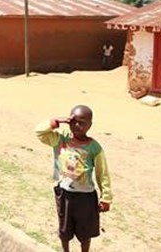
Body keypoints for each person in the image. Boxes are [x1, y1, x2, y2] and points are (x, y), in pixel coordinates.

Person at [35, 105, 112, 252]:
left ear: (90, 125)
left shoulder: (94, 147)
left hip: (86, 197)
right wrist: (56, 121)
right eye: (73, 121)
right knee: (64, 231)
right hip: (65, 194)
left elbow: (103, 173)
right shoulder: (60, 139)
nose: (77, 125)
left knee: (85, 234)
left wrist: (106, 197)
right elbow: (39, 132)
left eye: (82, 122)